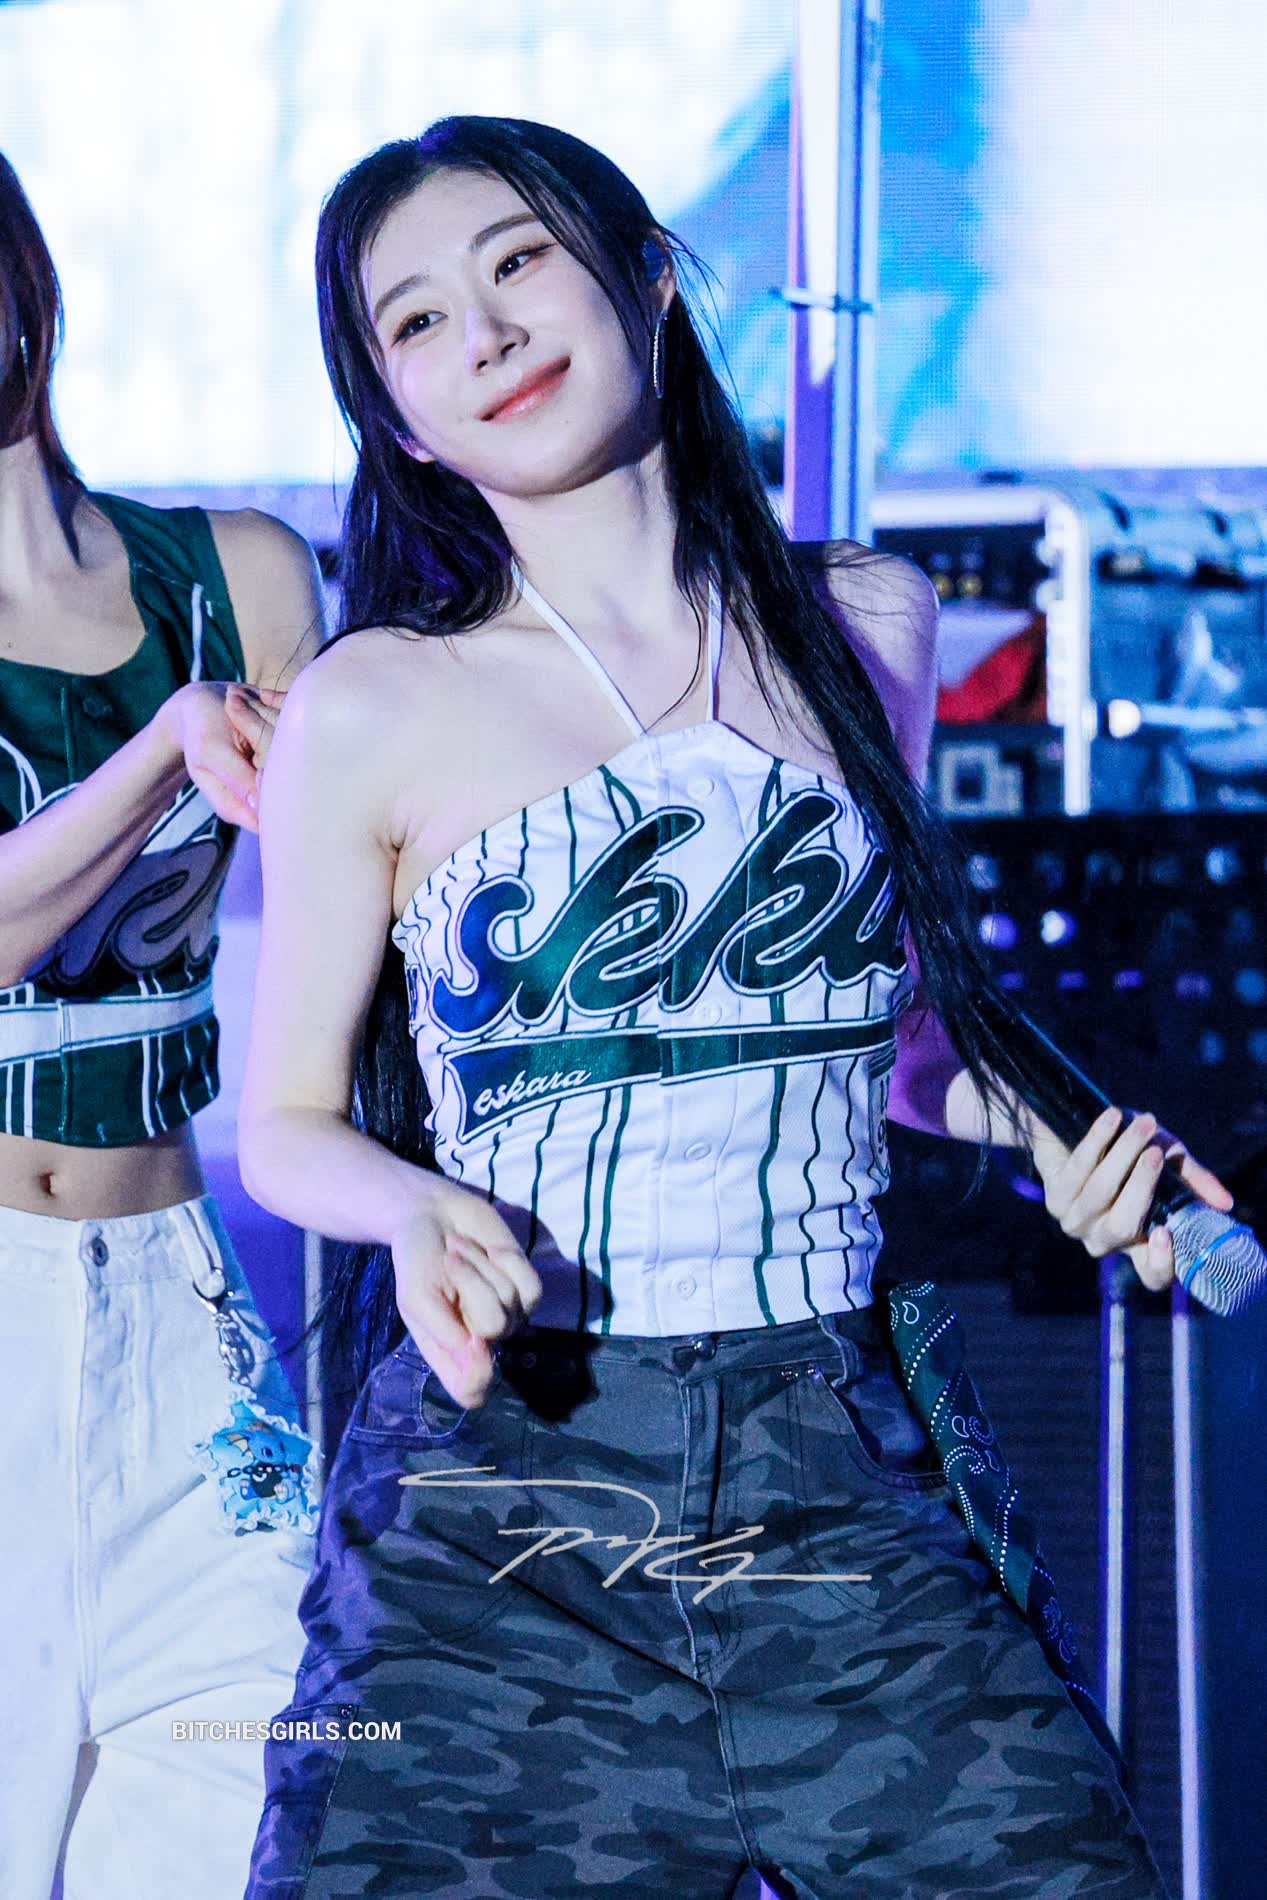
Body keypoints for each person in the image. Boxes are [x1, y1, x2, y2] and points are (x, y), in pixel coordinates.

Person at [238, 117, 1227, 1898]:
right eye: (419, 321)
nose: (487, 329)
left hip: (829, 1458)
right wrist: (420, 1210)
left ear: (646, 279)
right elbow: (291, 1123)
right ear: (399, 418)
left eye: (521, 262)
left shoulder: (867, 621)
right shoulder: (376, 701)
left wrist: (1072, 1143)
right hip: (506, 1492)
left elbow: (901, 1041)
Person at [0, 155, 326, 1900]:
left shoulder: (244, 576)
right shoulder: (195, 682)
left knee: (252, 1805)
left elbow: (383, 886)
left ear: (25, 282)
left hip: (186, 1308)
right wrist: (161, 750)